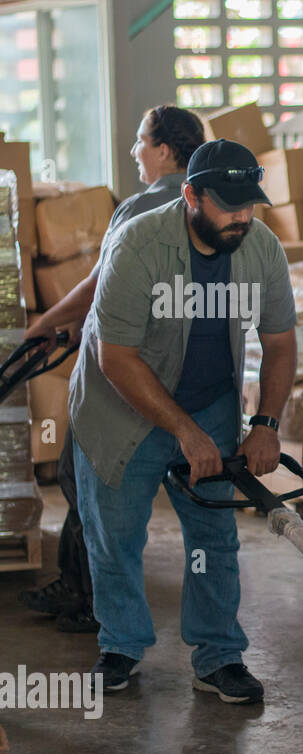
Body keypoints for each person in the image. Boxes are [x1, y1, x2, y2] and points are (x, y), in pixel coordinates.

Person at [67, 138, 298, 703]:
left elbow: (281, 341)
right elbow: (115, 356)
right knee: (115, 534)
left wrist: (266, 423)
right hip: (122, 403)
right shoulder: (138, 244)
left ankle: (219, 654)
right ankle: (120, 645)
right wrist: (184, 433)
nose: (241, 217)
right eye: (227, 204)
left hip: (209, 398)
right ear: (191, 194)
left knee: (213, 537)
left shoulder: (260, 247)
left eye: (249, 204)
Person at [20, 105, 206, 633]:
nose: (134, 151)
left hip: (121, 382)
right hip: (185, 380)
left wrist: (45, 324)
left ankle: (88, 601)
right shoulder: (210, 205)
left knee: (82, 483)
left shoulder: (142, 207)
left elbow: (100, 285)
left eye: (141, 141)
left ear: (164, 150)